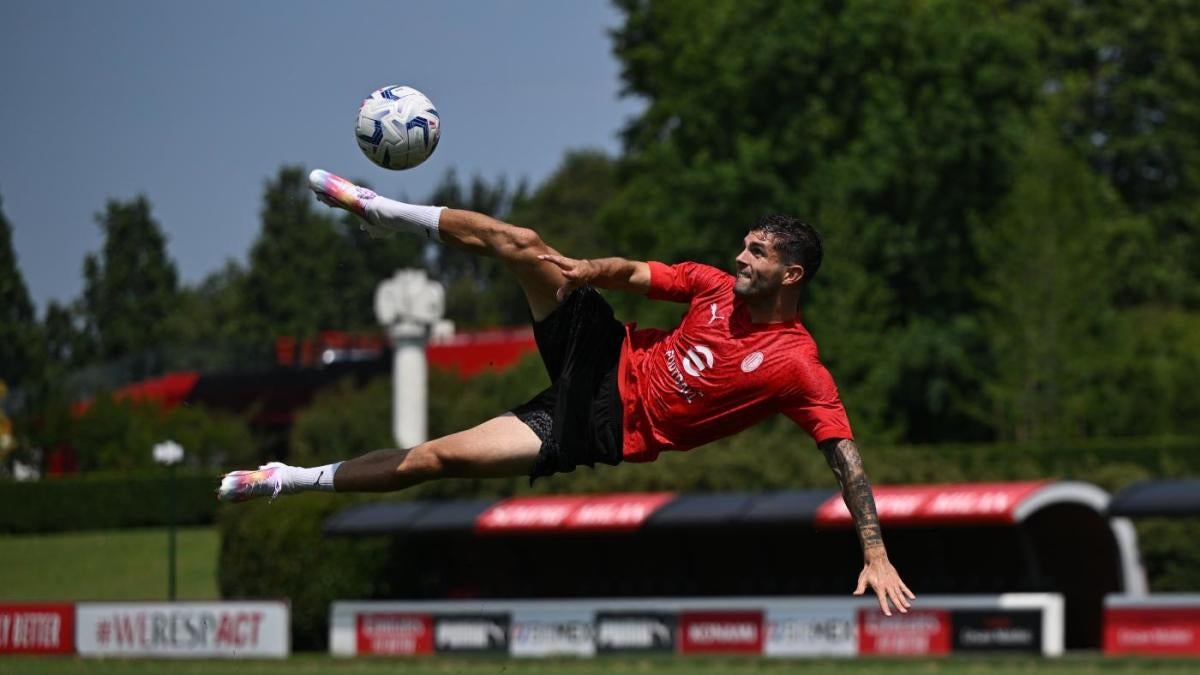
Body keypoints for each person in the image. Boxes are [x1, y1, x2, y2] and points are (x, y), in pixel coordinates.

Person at [218, 168, 915, 615]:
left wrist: (875, 552)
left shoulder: (799, 365)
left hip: (593, 428)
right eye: (744, 245)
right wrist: (586, 269)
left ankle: (286, 478)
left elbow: (844, 458)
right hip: (602, 351)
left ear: (791, 275)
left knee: (439, 458)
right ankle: (378, 206)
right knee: (523, 241)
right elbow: (636, 273)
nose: (740, 257)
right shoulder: (711, 284)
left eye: (757, 253)